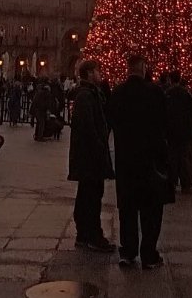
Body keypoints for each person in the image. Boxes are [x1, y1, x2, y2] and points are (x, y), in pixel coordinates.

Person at [108, 54, 169, 269]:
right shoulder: (155, 92)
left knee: (127, 208)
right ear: (142, 68)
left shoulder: (117, 93)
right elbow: (164, 123)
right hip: (150, 159)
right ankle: (149, 254)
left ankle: (128, 252)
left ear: (127, 68)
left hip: (125, 160)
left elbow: (112, 122)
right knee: (151, 209)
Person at [67, 59, 115, 252]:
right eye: (97, 71)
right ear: (88, 74)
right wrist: (98, 147)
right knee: (91, 195)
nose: (100, 74)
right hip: (90, 156)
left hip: (88, 155)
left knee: (89, 194)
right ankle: (91, 235)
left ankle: (85, 234)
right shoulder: (86, 96)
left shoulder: (89, 94)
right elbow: (87, 127)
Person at [165, 71, 192, 193]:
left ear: (170, 79)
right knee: (183, 157)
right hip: (184, 130)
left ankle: (172, 182)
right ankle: (186, 183)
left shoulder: (168, 93)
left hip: (171, 131)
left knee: (172, 157)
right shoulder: (185, 93)